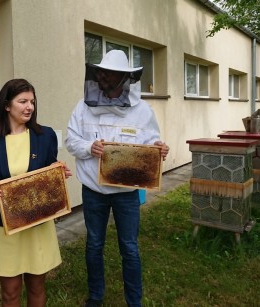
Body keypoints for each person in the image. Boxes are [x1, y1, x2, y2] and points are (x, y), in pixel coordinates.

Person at [65, 50, 169, 307]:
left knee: (129, 248)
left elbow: (151, 143)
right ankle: (96, 297)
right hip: (93, 190)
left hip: (126, 194)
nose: (103, 77)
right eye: (101, 72)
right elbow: (71, 141)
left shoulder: (143, 110)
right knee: (94, 245)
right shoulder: (82, 107)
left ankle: (134, 302)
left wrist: (159, 149)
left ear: (124, 78)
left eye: (109, 73)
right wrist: (91, 147)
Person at [0, 78, 72, 307]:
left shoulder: (45, 135)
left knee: (37, 286)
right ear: (7, 105)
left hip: (37, 225)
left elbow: (49, 169)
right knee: (10, 292)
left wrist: (57, 173)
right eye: (23, 101)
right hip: (5, 227)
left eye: (32, 101)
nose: (29, 106)